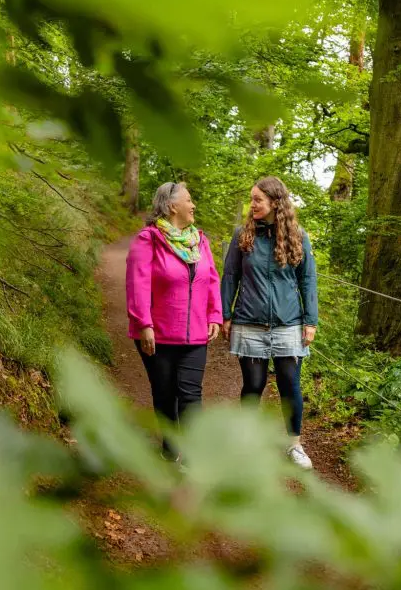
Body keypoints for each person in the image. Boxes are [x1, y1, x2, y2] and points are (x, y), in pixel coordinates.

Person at [221, 176, 318, 470]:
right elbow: (230, 277)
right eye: (252, 199)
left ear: (275, 203)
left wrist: (310, 320)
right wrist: (225, 314)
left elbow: (307, 279)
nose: (253, 205)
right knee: (254, 384)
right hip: (249, 322)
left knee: (290, 384)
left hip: (289, 324)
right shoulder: (242, 235)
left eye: (258, 200)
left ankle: (294, 445)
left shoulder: (298, 236)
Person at [126, 181, 222, 465]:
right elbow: (137, 284)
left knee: (191, 393)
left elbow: (212, 279)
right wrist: (144, 324)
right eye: (189, 200)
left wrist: (215, 314)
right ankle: (170, 447)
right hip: (158, 333)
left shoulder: (199, 241)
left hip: (195, 334)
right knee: (165, 393)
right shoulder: (149, 239)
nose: (193, 205)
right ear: (172, 206)